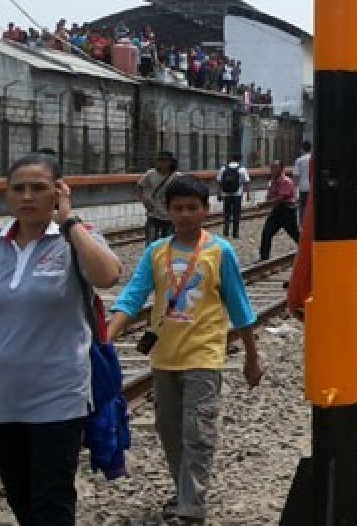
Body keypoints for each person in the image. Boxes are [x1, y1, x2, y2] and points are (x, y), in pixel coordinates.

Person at [0, 153, 123, 526]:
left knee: (51, 504)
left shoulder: (75, 239)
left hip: (58, 396)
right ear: (6, 195)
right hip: (1, 396)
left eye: (38, 188)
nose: (27, 196)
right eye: (18, 188)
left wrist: (68, 221)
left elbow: (108, 276)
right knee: (21, 500)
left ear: (58, 191)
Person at [107, 175, 263, 524]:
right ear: (168, 211)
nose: (186, 215)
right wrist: (108, 334)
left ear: (206, 210)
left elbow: (240, 307)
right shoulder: (156, 252)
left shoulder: (219, 252)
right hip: (165, 356)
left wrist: (253, 357)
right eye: (178, 208)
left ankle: (192, 506)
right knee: (169, 429)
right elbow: (133, 296)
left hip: (204, 355)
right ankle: (183, 491)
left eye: (193, 208)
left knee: (198, 429)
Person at [259, 160, 299, 262]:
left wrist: (265, 204)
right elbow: (271, 196)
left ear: (281, 169)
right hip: (277, 210)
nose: (273, 170)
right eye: (272, 167)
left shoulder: (286, 181)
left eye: (275, 167)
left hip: (287, 211)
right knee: (267, 232)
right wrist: (268, 197)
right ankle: (264, 257)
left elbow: (281, 197)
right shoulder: (273, 181)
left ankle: (307, 251)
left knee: (295, 234)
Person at [137, 150, 180, 245]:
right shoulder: (150, 174)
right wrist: (144, 201)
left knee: (168, 242)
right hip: (153, 213)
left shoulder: (176, 177)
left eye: (164, 160)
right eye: (159, 160)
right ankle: (151, 258)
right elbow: (139, 186)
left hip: (169, 215)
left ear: (170, 162)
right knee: (151, 242)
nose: (160, 163)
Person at [216, 154, 251, 238]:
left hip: (226, 194)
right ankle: (235, 234)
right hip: (237, 195)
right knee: (236, 214)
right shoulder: (242, 169)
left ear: (231, 159)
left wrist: (219, 193)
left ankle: (226, 232)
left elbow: (219, 182)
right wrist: (248, 195)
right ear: (240, 159)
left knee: (227, 214)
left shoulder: (223, 168)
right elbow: (246, 182)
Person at [292, 141, 312, 214]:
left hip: (303, 188)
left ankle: (302, 224)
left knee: (303, 208)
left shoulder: (299, 160)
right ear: (311, 149)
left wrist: (294, 190)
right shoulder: (314, 159)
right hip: (313, 188)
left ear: (302, 149)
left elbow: (296, 176)